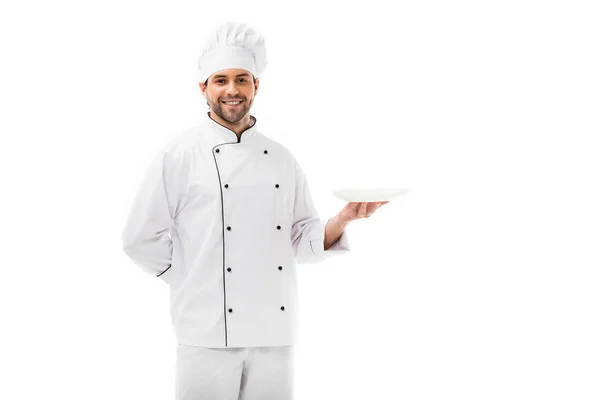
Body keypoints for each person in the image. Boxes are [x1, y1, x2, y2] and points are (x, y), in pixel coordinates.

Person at [121, 21, 388, 400]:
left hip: (274, 334)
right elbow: (138, 238)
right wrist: (187, 275)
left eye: (242, 79)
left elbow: (301, 239)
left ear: (256, 86)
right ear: (204, 88)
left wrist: (343, 219)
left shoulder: (281, 159)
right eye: (221, 80)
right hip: (206, 333)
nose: (232, 90)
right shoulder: (179, 156)